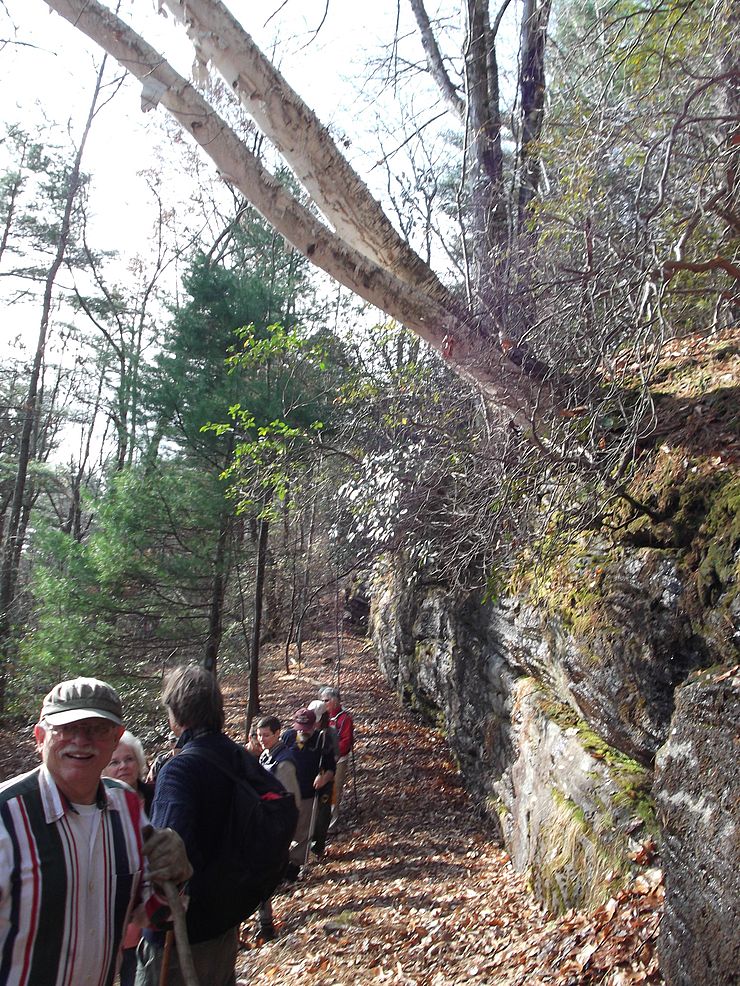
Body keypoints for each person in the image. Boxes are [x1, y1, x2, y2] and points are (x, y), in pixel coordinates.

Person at [0, 676, 191, 986]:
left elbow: (154, 915)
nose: (81, 740)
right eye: (66, 729)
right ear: (39, 737)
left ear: (116, 738)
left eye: (97, 730)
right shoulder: (6, 816)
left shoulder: (126, 805)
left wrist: (174, 877)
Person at [135, 666, 253, 986]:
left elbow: (166, 859)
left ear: (177, 714)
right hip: (226, 921)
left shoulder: (179, 770)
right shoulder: (239, 758)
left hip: (182, 938)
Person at [102, 730, 155, 986]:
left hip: (153, 915)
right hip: (111, 918)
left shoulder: (158, 794)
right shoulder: (97, 807)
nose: (123, 766)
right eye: (114, 762)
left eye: (129, 759)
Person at [252, 715, 301, 944]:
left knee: (262, 876)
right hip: (262, 824)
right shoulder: (265, 756)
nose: (262, 740)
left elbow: (291, 801)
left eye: (266, 735)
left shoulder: (284, 762)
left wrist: (283, 833)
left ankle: (266, 925)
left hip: (273, 828)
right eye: (260, 735)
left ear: (278, 733)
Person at [281, 708, 335, 879]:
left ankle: (294, 866)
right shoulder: (287, 737)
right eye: (299, 728)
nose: (302, 732)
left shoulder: (321, 739)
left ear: (314, 726)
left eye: (306, 728)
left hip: (308, 793)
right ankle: (280, 863)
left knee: (303, 832)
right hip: (287, 793)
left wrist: (323, 779)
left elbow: (331, 768)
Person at [320, 686, 354, 827]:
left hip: (338, 760)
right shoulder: (322, 716)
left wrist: (333, 753)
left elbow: (346, 741)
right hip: (323, 759)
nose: (323, 703)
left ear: (335, 701)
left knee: (335, 789)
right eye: (322, 700)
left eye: (326, 700)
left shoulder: (345, 718)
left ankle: (331, 824)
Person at [306, 700, 337, 858]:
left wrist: (324, 777)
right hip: (307, 782)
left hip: (325, 783)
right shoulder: (302, 732)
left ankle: (318, 847)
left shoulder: (330, 734)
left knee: (322, 815)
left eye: (317, 719)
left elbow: (333, 762)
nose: (315, 723)